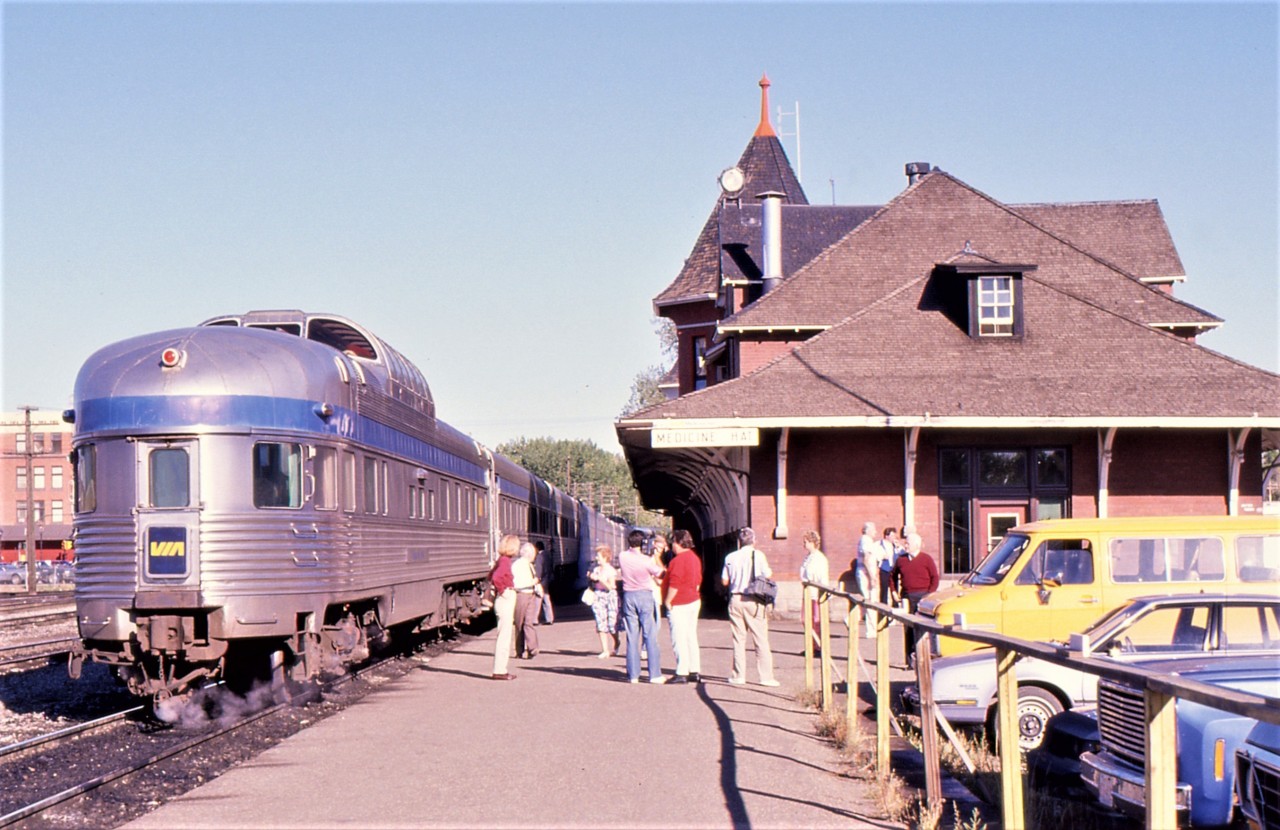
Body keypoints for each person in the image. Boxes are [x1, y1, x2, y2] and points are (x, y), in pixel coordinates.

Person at [721, 527, 779, 687]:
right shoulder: (758, 555)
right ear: (753, 541)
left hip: (735, 599)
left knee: (738, 639)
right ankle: (766, 677)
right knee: (760, 639)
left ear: (739, 541)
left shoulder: (730, 557)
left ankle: (738, 675)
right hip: (754, 600)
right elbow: (767, 575)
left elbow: (725, 581)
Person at [619, 528, 666, 683]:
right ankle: (654, 674)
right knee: (650, 635)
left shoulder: (622, 556)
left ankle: (633, 675)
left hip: (628, 596)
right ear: (644, 543)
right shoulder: (646, 560)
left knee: (632, 636)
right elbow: (660, 574)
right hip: (645, 596)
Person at [892, 532, 940, 668]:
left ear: (916, 545)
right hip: (907, 597)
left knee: (923, 629)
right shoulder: (901, 560)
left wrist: (929, 595)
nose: (905, 545)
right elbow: (892, 576)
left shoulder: (926, 559)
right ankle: (909, 662)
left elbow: (935, 578)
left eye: (908, 543)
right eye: (905, 543)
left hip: (922, 596)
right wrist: (894, 591)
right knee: (908, 629)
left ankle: (924, 659)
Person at [662, 529, 702, 684]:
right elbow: (698, 580)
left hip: (679, 603)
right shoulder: (694, 558)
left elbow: (675, 583)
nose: (671, 546)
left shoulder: (678, 561)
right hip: (693, 600)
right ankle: (694, 670)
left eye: (672, 542)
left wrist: (668, 600)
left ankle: (682, 672)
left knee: (678, 638)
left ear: (678, 542)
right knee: (691, 636)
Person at [489, 535, 520, 680]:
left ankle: (500, 669)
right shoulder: (505, 561)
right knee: (504, 636)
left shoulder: (501, 560)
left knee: (504, 634)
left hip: (502, 599)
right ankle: (500, 671)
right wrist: (504, 591)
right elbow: (496, 577)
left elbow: (491, 575)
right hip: (505, 599)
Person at [799, 530, 830, 653]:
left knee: (815, 620)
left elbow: (822, 578)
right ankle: (812, 645)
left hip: (815, 593)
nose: (804, 544)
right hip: (807, 593)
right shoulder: (808, 557)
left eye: (805, 542)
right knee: (805, 619)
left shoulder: (819, 558)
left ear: (812, 542)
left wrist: (823, 593)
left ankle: (817, 646)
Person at [587, 544, 620, 658]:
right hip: (598, 595)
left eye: (598, 556)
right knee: (600, 622)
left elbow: (611, 587)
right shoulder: (596, 569)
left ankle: (616, 641)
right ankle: (605, 650)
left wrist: (600, 579)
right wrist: (591, 578)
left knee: (612, 624)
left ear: (605, 557)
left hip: (610, 596)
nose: (596, 558)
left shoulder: (611, 570)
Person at [512, 541, 543, 659]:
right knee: (519, 623)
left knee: (528, 622)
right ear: (529, 554)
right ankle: (519, 650)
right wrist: (532, 582)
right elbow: (516, 583)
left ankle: (532, 648)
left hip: (531, 594)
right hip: (521, 594)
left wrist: (536, 586)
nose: (534, 556)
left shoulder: (529, 565)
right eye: (534, 554)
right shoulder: (517, 565)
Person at [855, 521, 879, 638]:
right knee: (870, 602)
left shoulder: (866, 540)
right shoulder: (866, 541)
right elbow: (866, 560)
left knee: (868, 601)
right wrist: (872, 577)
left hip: (866, 574)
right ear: (867, 530)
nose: (876, 532)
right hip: (866, 575)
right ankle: (871, 630)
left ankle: (851, 619)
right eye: (874, 529)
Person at [535, 541, 555, 625]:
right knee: (546, 599)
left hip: (541, 581)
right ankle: (550, 618)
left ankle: (534, 619)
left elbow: (539, 569)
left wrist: (537, 578)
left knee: (538, 599)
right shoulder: (547, 555)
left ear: (537, 548)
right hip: (547, 580)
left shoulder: (539, 557)